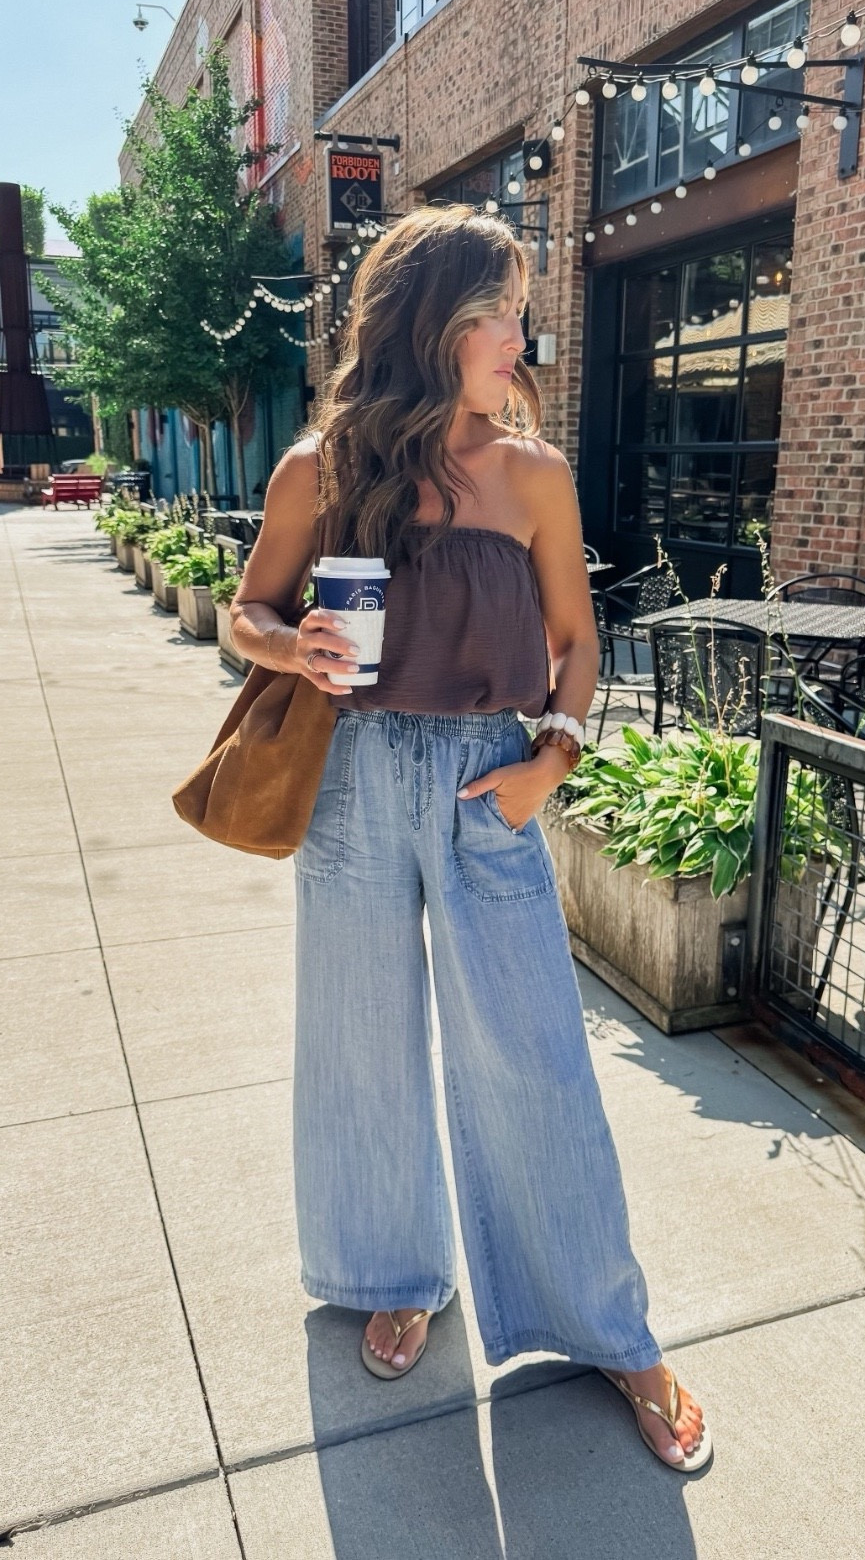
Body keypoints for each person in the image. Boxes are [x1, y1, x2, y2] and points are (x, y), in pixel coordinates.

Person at [229, 204, 710, 1473]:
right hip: (350, 774)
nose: (520, 332)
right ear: (429, 323)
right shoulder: (321, 467)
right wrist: (296, 645)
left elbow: (580, 641)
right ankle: (395, 1268)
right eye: (496, 309)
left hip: (488, 779)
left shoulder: (534, 472)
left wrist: (548, 764)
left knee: (535, 1054)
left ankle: (609, 1327)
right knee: (360, 1042)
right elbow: (247, 613)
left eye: (520, 309)